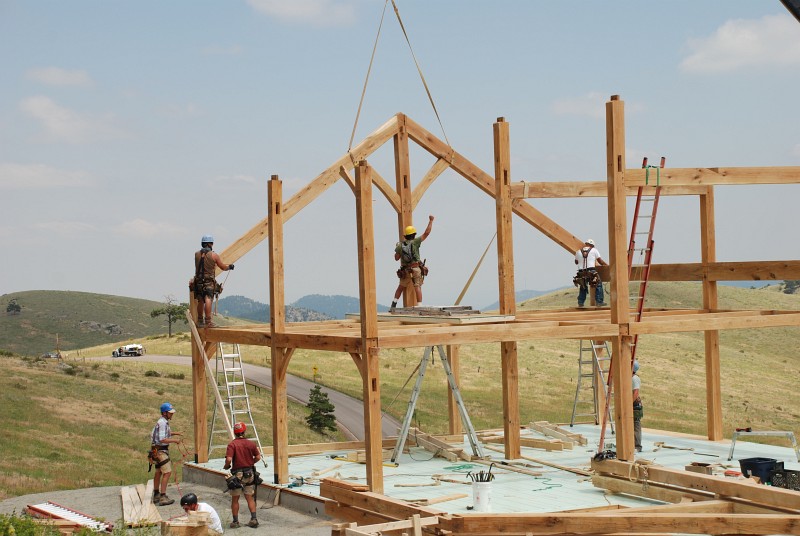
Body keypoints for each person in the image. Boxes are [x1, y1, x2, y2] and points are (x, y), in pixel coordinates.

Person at [390, 215, 434, 311]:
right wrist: (431, 221)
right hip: (415, 268)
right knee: (417, 286)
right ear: (414, 235)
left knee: (400, 287)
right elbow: (426, 233)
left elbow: (396, 258)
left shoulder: (401, 245)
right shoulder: (416, 242)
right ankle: (420, 306)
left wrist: (398, 249)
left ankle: (393, 304)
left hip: (405, 270)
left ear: (405, 235)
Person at [224, 422, 263, 529]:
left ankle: (235, 522)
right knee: (249, 497)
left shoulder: (232, 445)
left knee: (235, 499)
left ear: (234, 432)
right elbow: (258, 457)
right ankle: (254, 519)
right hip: (250, 474)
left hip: (238, 475)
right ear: (244, 431)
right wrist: (250, 463)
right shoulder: (251, 444)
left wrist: (226, 466)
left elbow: (229, 459)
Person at [193, 234, 234, 327]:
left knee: (200, 300)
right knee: (208, 298)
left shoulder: (196, 254)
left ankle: (200, 321)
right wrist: (229, 267)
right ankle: (208, 322)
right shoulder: (214, 255)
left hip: (198, 281)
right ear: (210, 244)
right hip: (208, 281)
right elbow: (223, 267)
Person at [150, 402, 182, 505]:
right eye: (170, 413)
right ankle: (163, 497)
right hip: (161, 451)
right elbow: (162, 439)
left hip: (156, 450)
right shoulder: (163, 423)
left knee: (158, 472)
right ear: (164, 413)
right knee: (167, 472)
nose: (172, 414)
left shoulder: (162, 422)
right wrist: (175, 440)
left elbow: (164, 434)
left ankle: (156, 494)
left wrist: (175, 433)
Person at [574, 238, 607, 307]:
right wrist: (607, 266)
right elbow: (600, 261)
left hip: (581, 272)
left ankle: (580, 302)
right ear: (592, 245)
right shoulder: (594, 250)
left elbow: (576, 262)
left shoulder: (578, 251)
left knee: (583, 286)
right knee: (598, 284)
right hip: (591, 271)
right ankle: (599, 301)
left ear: (586, 244)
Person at [632, 360, 643, 453]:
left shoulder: (634, 378)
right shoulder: (630, 377)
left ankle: (637, 446)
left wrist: (629, 403)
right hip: (631, 403)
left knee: (636, 425)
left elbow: (635, 393)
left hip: (634, 404)